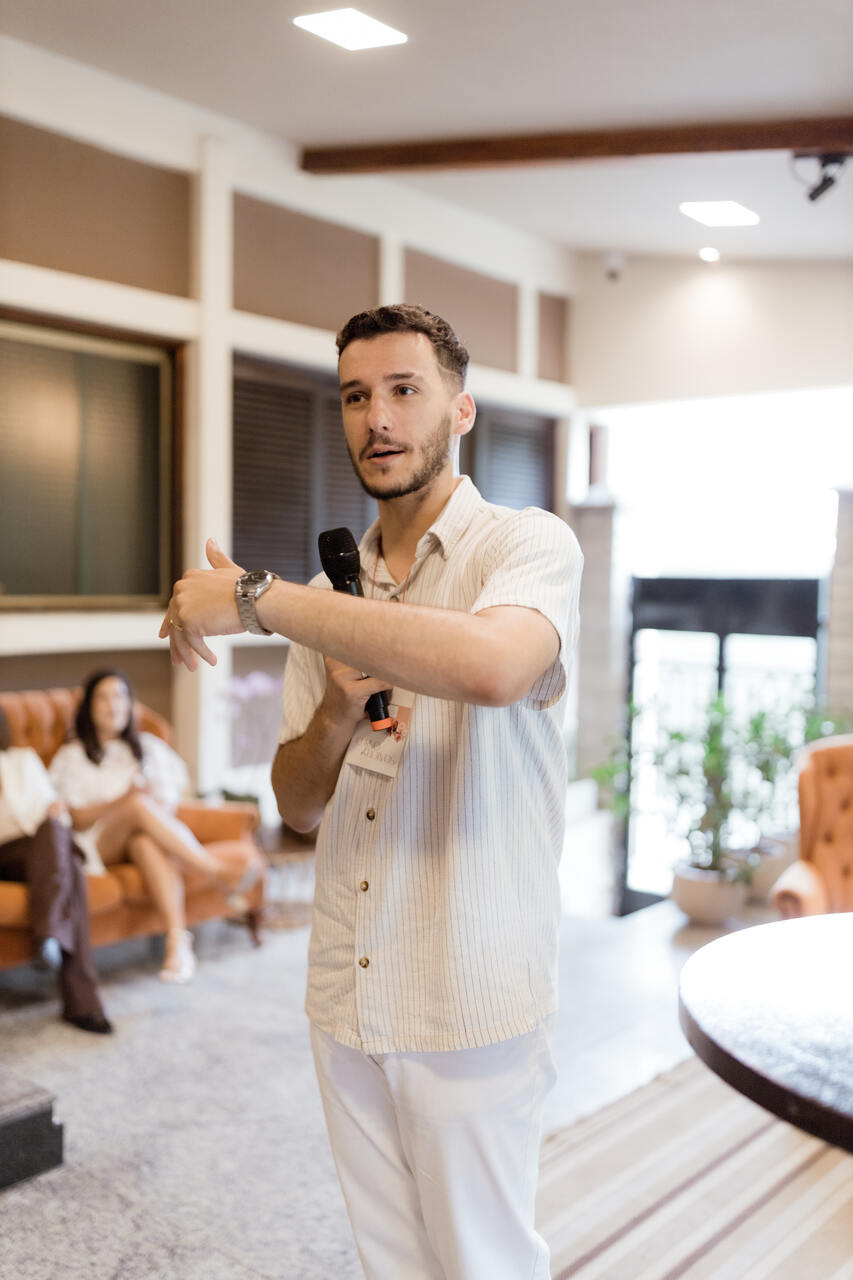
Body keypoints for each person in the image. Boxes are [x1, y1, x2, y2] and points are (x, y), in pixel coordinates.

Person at [160, 303, 583, 1279]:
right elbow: (296, 805)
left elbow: (491, 666)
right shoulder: (329, 595)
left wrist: (257, 599)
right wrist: (335, 714)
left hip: (468, 987)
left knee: (483, 1262)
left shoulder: (524, 546)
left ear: (460, 409)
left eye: (403, 390)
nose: (377, 418)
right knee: (391, 1263)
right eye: (355, 397)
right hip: (347, 988)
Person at [49, 670, 262, 984]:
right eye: (103, 697)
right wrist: (123, 801)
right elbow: (74, 817)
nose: (113, 705)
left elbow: (171, 803)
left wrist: (148, 804)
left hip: (141, 836)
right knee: (136, 805)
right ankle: (216, 871)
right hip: (95, 843)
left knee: (144, 843)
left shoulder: (148, 748)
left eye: (120, 696)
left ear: (130, 704)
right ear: (89, 707)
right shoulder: (73, 755)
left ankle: (177, 945)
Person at [0, 706, 112, 1033]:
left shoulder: (24, 760)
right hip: (5, 852)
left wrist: (51, 813)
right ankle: (83, 1003)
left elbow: (50, 805)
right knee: (64, 854)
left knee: (60, 843)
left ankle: (49, 935)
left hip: (39, 846)